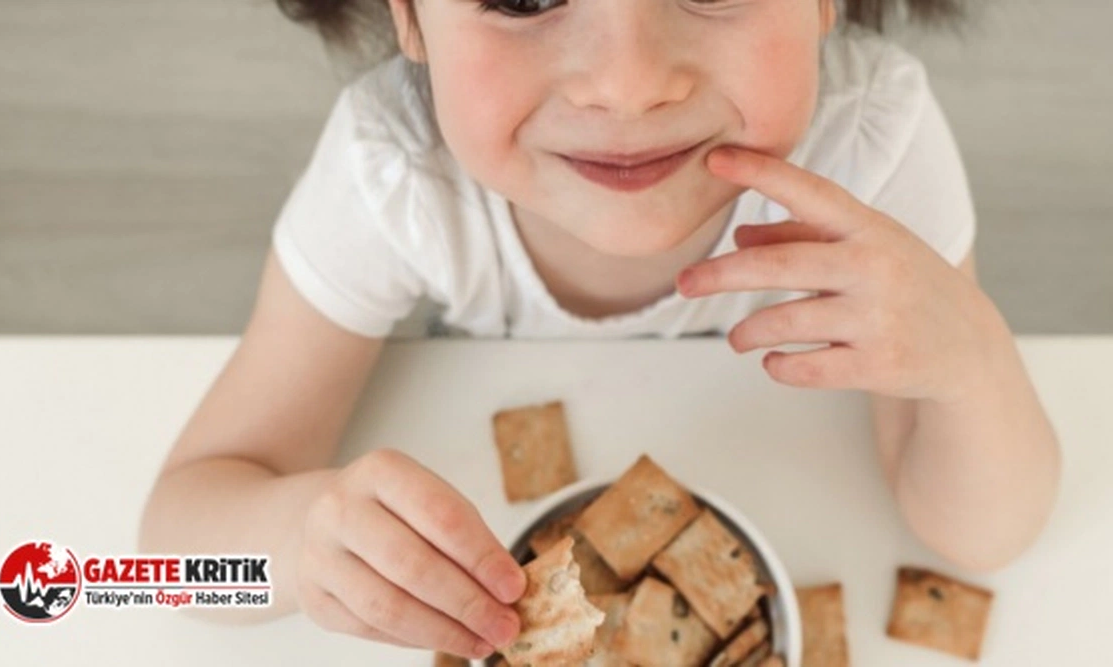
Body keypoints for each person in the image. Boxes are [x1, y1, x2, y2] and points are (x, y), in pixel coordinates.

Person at [139, 0, 1062, 660]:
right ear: (409, 16)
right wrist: (296, 541)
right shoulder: (391, 178)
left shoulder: (874, 148)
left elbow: (981, 536)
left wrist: (975, 362)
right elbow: (164, 562)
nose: (629, 84)